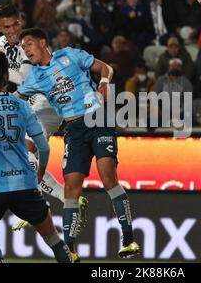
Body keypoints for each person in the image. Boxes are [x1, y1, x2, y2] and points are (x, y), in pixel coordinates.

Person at [0, 4, 88, 232]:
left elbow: (25, 79)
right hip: (29, 102)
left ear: (21, 21)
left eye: (16, 24)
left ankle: (54, 200)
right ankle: (45, 200)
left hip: (46, 103)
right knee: (21, 154)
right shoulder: (4, 42)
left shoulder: (28, 45)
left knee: (24, 149)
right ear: (0, 27)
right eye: (7, 27)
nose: (13, 30)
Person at [15, 28, 140, 260]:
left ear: (42, 42)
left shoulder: (69, 55)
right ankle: (70, 249)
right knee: (71, 188)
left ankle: (129, 239)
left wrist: (103, 82)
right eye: (23, 47)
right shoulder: (33, 77)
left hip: (97, 118)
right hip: (73, 129)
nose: (26, 49)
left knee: (107, 176)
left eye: (29, 44)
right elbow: (14, 101)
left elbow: (106, 67)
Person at [0, 53, 73, 263]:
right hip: (26, 185)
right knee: (53, 239)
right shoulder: (21, 105)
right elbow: (43, 147)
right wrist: (41, 171)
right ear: (6, 77)